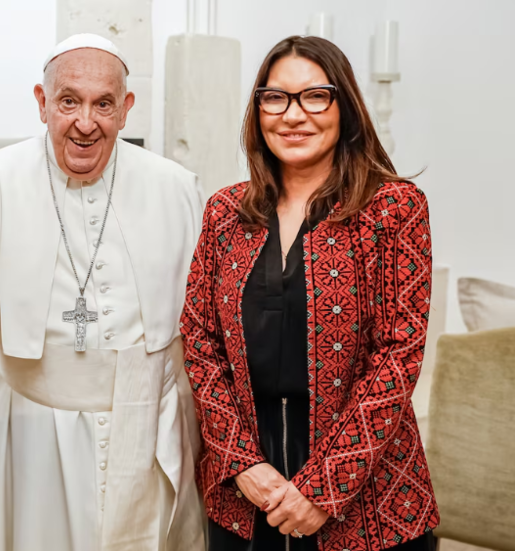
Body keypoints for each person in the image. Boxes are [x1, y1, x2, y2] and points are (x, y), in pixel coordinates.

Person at [0, 33, 206, 550]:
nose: (85, 123)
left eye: (103, 104)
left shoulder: (176, 188)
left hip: (148, 430)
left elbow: (205, 317)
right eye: (69, 101)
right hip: (31, 432)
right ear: (43, 103)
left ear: (126, 108)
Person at [181, 35, 439, 550]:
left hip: (370, 503)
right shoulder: (224, 213)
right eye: (275, 98)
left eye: (315, 96)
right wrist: (242, 464)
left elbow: (399, 354)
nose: (293, 115)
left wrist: (325, 489)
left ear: (345, 106)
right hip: (243, 500)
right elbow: (199, 340)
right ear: (258, 112)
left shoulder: (394, 208)